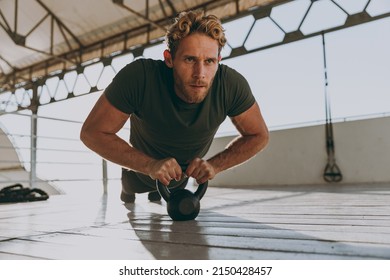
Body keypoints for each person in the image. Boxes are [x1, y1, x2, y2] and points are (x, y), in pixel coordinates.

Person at [80, 10, 269, 203]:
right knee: (130, 190)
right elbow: (92, 133)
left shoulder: (230, 84)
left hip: (179, 179)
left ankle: (157, 191)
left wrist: (214, 166)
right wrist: (150, 165)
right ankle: (127, 189)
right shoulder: (139, 77)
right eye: (190, 59)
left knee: (164, 191)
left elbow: (259, 135)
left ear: (218, 61)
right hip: (138, 173)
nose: (200, 74)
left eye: (209, 61)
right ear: (169, 59)